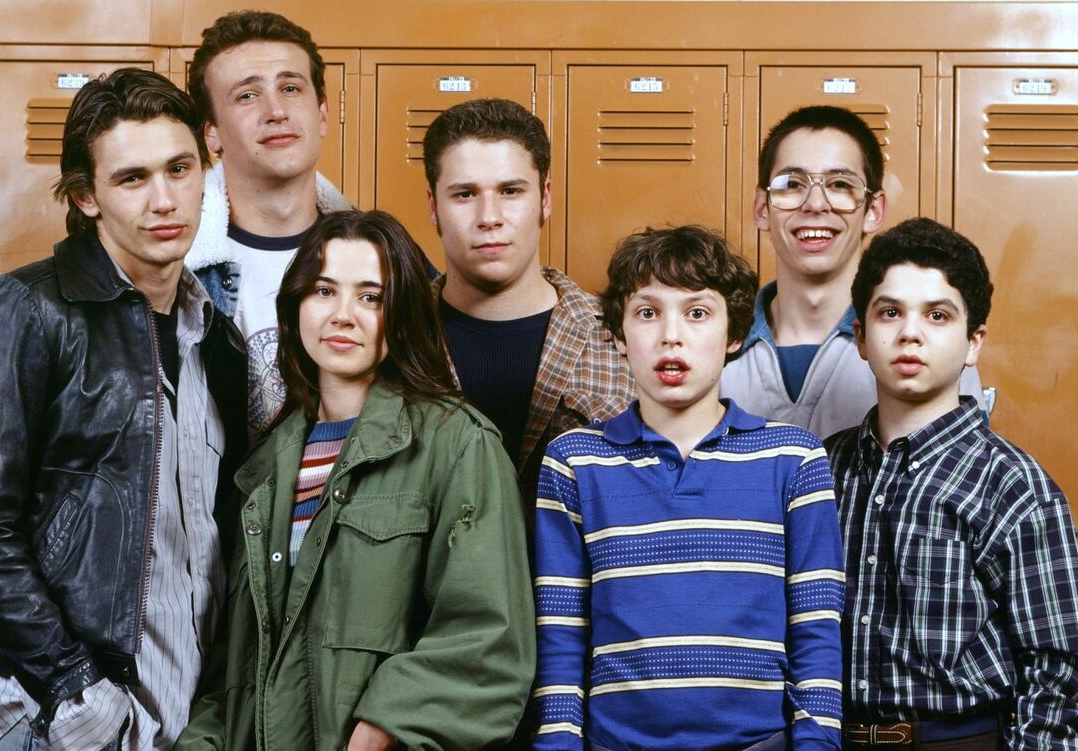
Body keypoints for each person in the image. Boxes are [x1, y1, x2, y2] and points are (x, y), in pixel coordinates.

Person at [0, 68, 246, 750]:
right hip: (67, 721)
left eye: (179, 168)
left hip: (188, 718)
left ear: (206, 167)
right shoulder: (25, 311)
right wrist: (74, 686)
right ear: (85, 195)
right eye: (132, 178)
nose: (164, 199)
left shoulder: (216, 338)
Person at [179, 210, 535, 751]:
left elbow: (489, 642)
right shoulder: (263, 467)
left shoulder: (458, 446)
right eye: (324, 290)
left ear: (404, 313)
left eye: (371, 297)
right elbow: (233, 668)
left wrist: (384, 725)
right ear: (296, 303)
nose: (343, 315)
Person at [533, 226, 844, 750]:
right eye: (647, 313)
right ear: (617, 334)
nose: (670, 336)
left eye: (697, 313)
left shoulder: (794, 460)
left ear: (734, 335)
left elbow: (816, 628)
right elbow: (561, 635)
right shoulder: (575, 461)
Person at [825, 217, 1078, 750]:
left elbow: (1058, 670)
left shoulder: (1014, 486)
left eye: (937, 315)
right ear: (861, 338)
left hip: (960, 738)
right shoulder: (825, 467)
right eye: (889, 312)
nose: (909, 333)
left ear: (972, 342)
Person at [721, 105, 983, 437]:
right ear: (761, 208)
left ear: (873, 209)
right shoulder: (714, 340)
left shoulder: (929, 344)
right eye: (792, 183)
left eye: (840, 183)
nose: (815, 204)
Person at [422, 98, 633, 502]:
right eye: (465, 194)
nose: (490, 216)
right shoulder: (394, 339)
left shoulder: (621, 338)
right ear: (433, 207)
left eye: (510, 191)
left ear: (545, 198)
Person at [185, 10, 352, 437]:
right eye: (246, 96)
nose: (276, 110)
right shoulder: (173, 275)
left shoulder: (386, 262)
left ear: (323, 113)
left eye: (291, 88)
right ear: (211, 134)